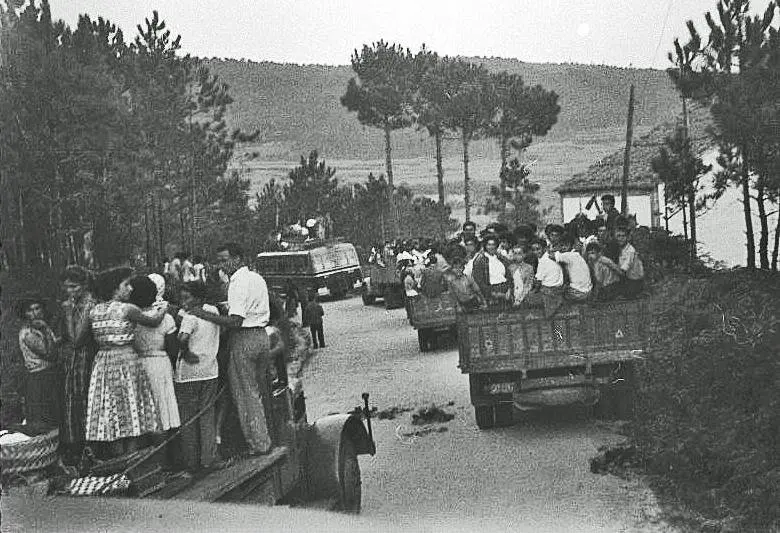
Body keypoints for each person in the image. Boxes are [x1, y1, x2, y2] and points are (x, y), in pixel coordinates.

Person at [187, 243, 273, 455]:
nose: (221, 265)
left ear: (238, 258)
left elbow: (235, 321)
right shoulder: (256, 278)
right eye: (220, 261)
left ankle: (258, 444)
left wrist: (203, 314)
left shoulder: (237, 283)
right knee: (259, 390)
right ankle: (267, 437)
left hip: (244, 339)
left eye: (225, 260)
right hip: (261, 336)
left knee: (245, 394)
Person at [86, 267, 164, 458]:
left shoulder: (94, 311)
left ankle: (120, 462)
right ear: (114, 288)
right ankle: (132, 462)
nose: (130, 289)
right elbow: (152, 321)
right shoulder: (127, 309)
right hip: (126, 361)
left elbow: (80, 339)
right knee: (132, 409)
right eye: (126, 284)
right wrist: (163, 310)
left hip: (104, 363)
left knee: (112, 412)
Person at [175, 281, 221, 471]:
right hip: (209, 370)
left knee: (188, 418)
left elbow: (181, 338)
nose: (184, 302)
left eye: (187, 298)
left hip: (188, 373)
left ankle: (191, 462)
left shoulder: (190, 317)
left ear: (198, 298)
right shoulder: (212, 311)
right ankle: (208, 458)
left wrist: (185, 352)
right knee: (207, 415)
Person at [131, 275, 180, 434]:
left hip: (137, 363)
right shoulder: (166, 318)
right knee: (162, 406)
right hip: (160, 363)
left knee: (143, 406)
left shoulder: (130, 318)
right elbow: (173, 349)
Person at [58, 266, 98, 463]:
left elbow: (76, 339)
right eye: (67, 287)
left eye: (74, 287)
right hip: (71, 361)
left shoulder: (88, 304)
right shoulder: (72, 304)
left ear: (83, 285)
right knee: (71, 401)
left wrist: (68, 312)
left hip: (85, 357)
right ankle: (75, 448)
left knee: (83, 399)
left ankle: (87, 448)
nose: (70, 291)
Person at [17, 298, 60, 428]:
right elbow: (49, 353)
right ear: (25, 314)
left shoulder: (40, 329)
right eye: (30, 310)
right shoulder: (28, 333)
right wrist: (46, 329)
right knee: (42, 417)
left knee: (54, 415)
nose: (35, 313)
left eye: (37, 308)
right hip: (39, 379)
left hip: (49, 376)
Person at [526, 238, 564, 317]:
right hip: (558, 286)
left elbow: (538, 283)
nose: (536, 252)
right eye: (533, 250)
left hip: (550, 289)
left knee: (528, 297)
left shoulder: (543, 261)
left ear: (544, 248)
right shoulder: (550, 256)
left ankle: (540, 317)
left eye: (538, 249)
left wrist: (533, 290)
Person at [471, 235, 511, 307]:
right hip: (491, 291)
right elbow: (479, 281)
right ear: (485, 246)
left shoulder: (502, 258)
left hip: (505, 288)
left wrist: (509, 289)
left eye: (493, 244)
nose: (491, 247)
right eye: (489, 245)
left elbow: (509, 274)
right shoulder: (480, 260)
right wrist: (492, 294)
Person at [612, 227, 645, 299]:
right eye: (618, 236)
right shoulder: (620, 248)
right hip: (627, 278)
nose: (620, 238)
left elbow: (623, 270)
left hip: (634, 281)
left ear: (627, 237)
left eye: (623, 236)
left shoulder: (630, 250)